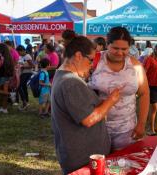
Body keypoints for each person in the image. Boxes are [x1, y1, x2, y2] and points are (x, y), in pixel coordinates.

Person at [51, 35, 121, 174]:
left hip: (81, 156)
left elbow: (80, 108)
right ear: (78, 56)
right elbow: (88, 119)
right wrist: (110, 101)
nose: (91, 65)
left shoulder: (64, 78)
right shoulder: (70, 83)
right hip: (82, 160)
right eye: (90, 60)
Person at [89, 26, 149, 150]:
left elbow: (144, 94)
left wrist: (141, 124)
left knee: (125, 165)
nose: (120, 53)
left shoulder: (136, 65)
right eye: (115, 48)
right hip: (97, 128)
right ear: (107, 44)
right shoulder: (94, 60)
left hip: (128, 129)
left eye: (124, 49)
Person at [0, 43, 14, 113]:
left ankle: (10, 94)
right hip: (7, 76)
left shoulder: (1, 57)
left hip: (1, 76)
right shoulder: (8, 56)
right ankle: (4, 108)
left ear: (1, 49)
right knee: (5, 91)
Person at [16, 45, 34, 110]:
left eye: (19, 52)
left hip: (27, 73)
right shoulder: (21, 56)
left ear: (23, 50)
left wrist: (23, 67)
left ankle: (24, 102)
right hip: (23, 73)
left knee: (19, 86)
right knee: (23, 87)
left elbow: (32, 66)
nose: (18, 54)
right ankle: (26, 101)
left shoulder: (27, 56)